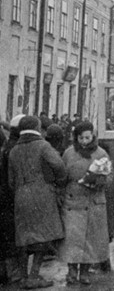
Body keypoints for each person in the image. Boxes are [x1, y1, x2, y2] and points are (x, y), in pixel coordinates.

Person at [8, 116, 67, 289]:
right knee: (43, 236)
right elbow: (59, 166)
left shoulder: (14, 150)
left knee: (24, 237)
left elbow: (11, 180)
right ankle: (34, 275)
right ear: (37, 127)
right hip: (42, 194)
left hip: (20, 195)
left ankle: (24, 276)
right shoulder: (43, 146)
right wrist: (59, 184)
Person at [59, 121, 112, 286]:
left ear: (93, 136)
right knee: (73, 239)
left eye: (87, 137)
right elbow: (62, 176)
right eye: (81, 138)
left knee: (91, 239)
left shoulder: (101, 153)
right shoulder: (68, 153)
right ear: (76, 137)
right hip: (73, 202)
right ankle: (72, 271)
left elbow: (109, 177)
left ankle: (85, 272)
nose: (84, 141)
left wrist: (99, 180)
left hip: (94, 201)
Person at [0, 115, 24, 286]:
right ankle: (12, 273)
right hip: (7, 198)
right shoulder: (12, 150)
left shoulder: (7, 148)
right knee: (9, 235)